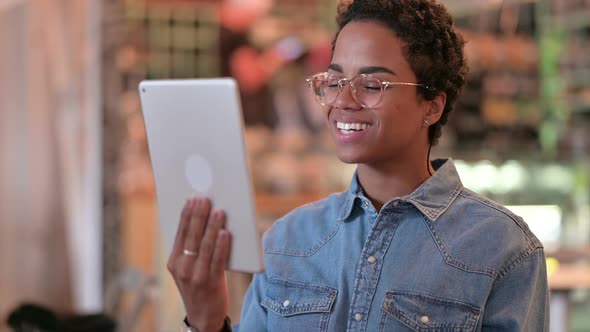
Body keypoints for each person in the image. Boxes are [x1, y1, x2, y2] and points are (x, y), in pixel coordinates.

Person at [167, 0, 550, 331]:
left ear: (431, 106)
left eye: (371, 85)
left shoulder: (504, 249)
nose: (343, 101)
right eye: (334, 81)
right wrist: (208, 322)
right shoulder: (287, 241)